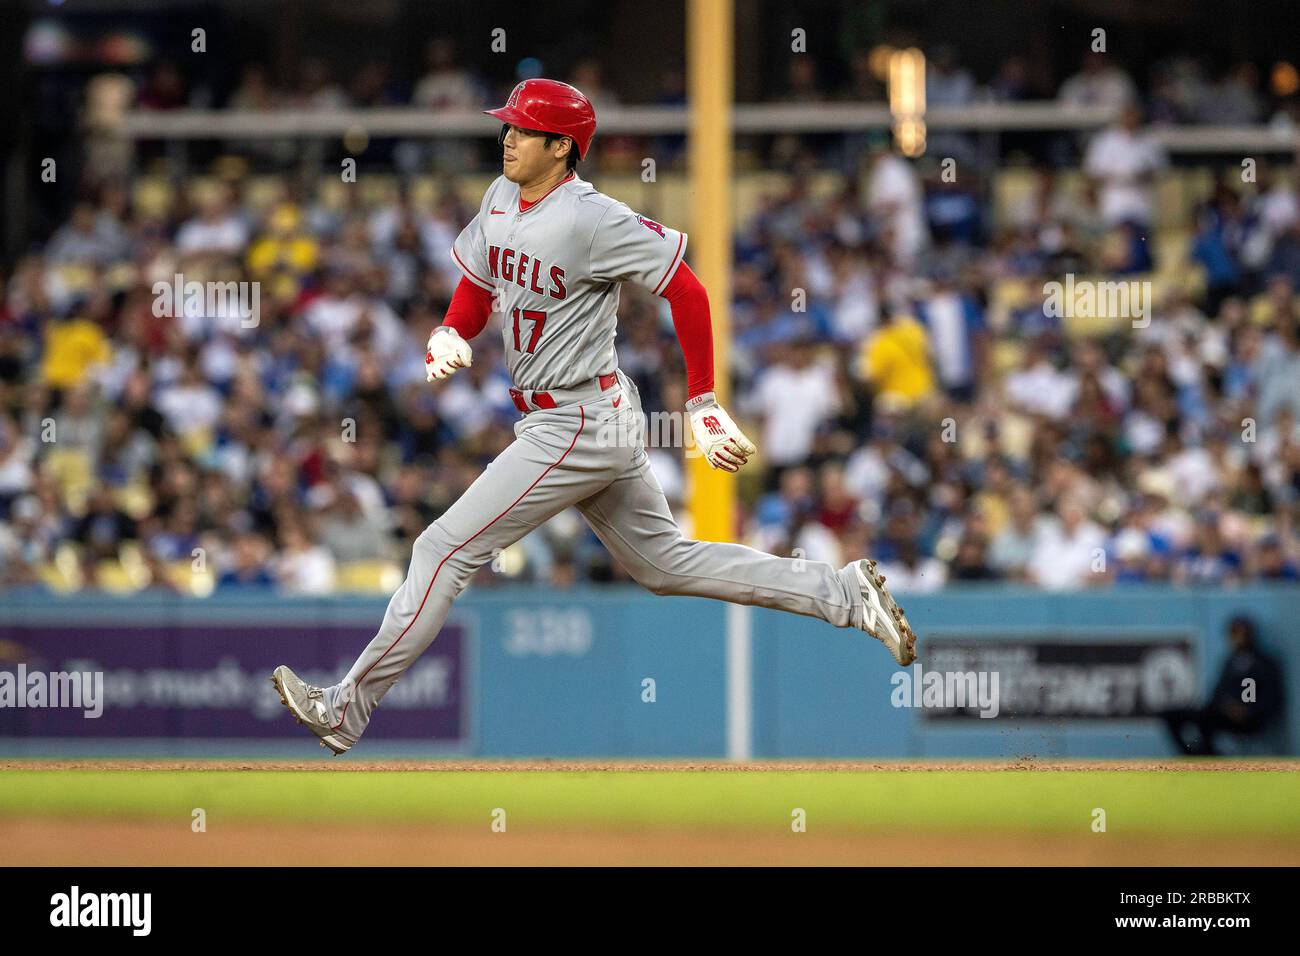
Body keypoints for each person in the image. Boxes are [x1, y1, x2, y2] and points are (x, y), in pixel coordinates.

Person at [271, 79, 918, 754]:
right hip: (581, 417)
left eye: (523, 130)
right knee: (664, 564)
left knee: (442, 550)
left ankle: (347, 706)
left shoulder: (591, 216)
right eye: (508, 127)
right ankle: (841, 594)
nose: (508, 138)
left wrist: (701, 400)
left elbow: (687, 288)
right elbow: (478, 281)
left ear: (562, 147)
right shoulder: (500, 196)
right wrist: (452, 331)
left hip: (576, 419)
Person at [1162, 616, 1286, 756]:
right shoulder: (1230, 660)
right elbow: (1218, 694)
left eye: (1241, 633)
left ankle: (1209, 756)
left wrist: (1249, 710)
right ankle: (1191, 756)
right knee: (1172, 714)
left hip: (1250, 719)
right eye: (1233, 633)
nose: (1236, 638)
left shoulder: (1263, 663)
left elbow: (1271, 697)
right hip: (1221, 712)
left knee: (1207, 718)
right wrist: (1223, 705)